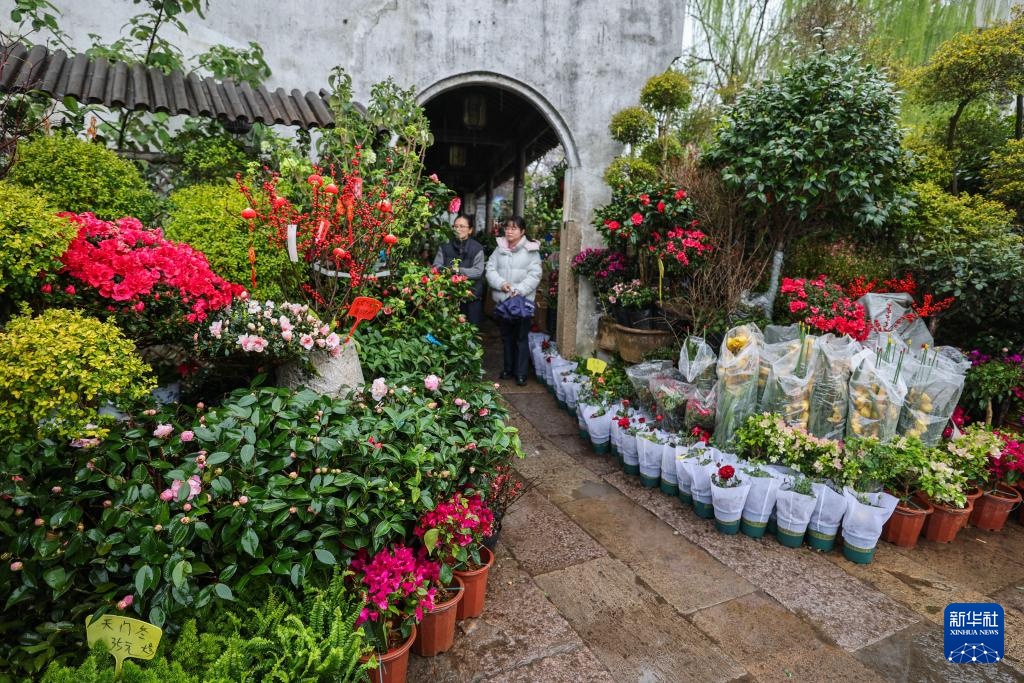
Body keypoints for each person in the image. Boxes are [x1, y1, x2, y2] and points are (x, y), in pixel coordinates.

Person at [486, 215, 542, 386]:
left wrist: (519, 290)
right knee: (506, 337)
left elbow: (535, 274)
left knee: (521, 338)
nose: (509, 231)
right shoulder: (499, 248)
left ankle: (521, 373)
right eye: (507, 228)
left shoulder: (531, 250)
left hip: (521, 302)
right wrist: (501, 284)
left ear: (522, 231)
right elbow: (489, 268)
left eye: (514, 228)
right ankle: (508, 369)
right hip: (503, 301)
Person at [433, 214, 485, 324]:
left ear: (470, 230)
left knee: (471, 331)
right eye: (455, 226)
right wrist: (446, 271)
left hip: (471, 297)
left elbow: (478, 271)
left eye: (462, 226)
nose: (458, 229)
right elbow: (436, 267)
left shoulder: (477, 248)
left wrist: (457, 271)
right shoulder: (444, 246)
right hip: (448, 297)